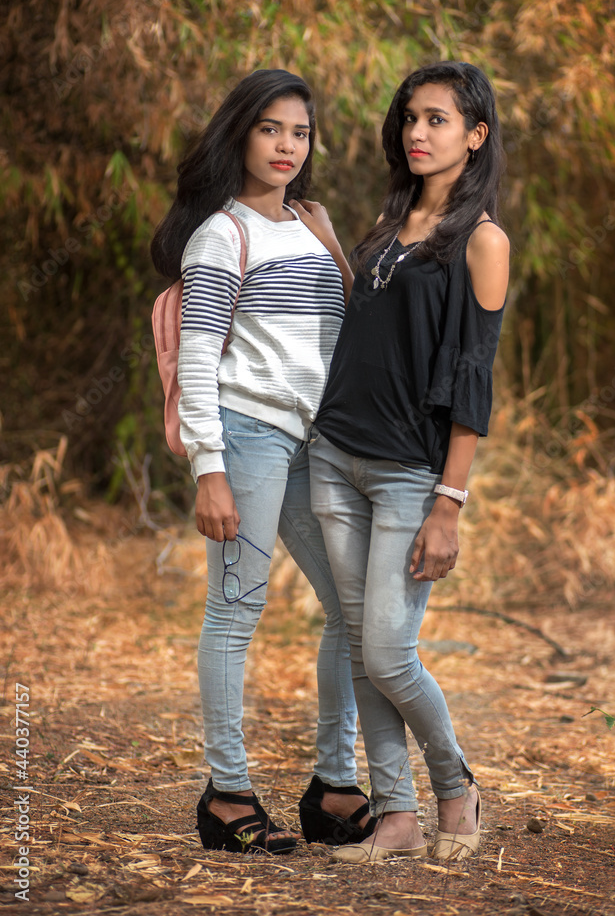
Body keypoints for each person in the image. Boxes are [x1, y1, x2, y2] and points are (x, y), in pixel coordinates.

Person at [150, 69, 374, 854]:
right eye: (271, 129)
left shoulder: (312, 224)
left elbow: (348, 327)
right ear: (240, 134)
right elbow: (201, 358)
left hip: (317, 442)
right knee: (237, 610)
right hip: (246, 436)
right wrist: (208, 466)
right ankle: (227, 793)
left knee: (354, 610)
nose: (286, 145)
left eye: (300, 132)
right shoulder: (222, 233)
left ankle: (334, 786)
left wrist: (331, 241)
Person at [290, 60, 509, 863]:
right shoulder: (388, 224)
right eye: (411, 118)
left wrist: (449, 503)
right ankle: (398, 817)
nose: (418, 133)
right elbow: (368, 324)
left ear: (475, 135)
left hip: (408, 475)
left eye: (438, 120)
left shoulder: (482, 242)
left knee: (386, 649)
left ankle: (456, 788)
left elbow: (470, 381)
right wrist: (327, 247)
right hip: (334, 456)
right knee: (357, 646)